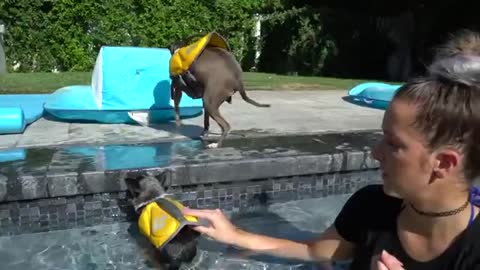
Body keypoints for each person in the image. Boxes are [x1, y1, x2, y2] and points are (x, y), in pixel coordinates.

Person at [182, 30, 480, 270]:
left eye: (393, 144)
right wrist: (235, 234)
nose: (375, 153)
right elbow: (313, 250)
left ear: (443, 162)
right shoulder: (371, 207)